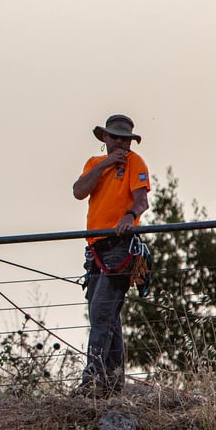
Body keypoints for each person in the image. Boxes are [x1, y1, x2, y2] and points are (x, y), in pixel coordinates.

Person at [72, 115, 150, 395]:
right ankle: (114, 384)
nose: (120, 143)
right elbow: (79, 191)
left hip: (120, 245)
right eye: (115, 137)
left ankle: (91, 380)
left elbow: (142, 200)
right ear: (104, 138)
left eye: (125, 138)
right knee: (106, 314)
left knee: (102, 311)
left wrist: (129, 216)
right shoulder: (94, 164)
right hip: (95, 247)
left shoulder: (135, 163)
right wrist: (106, 163)